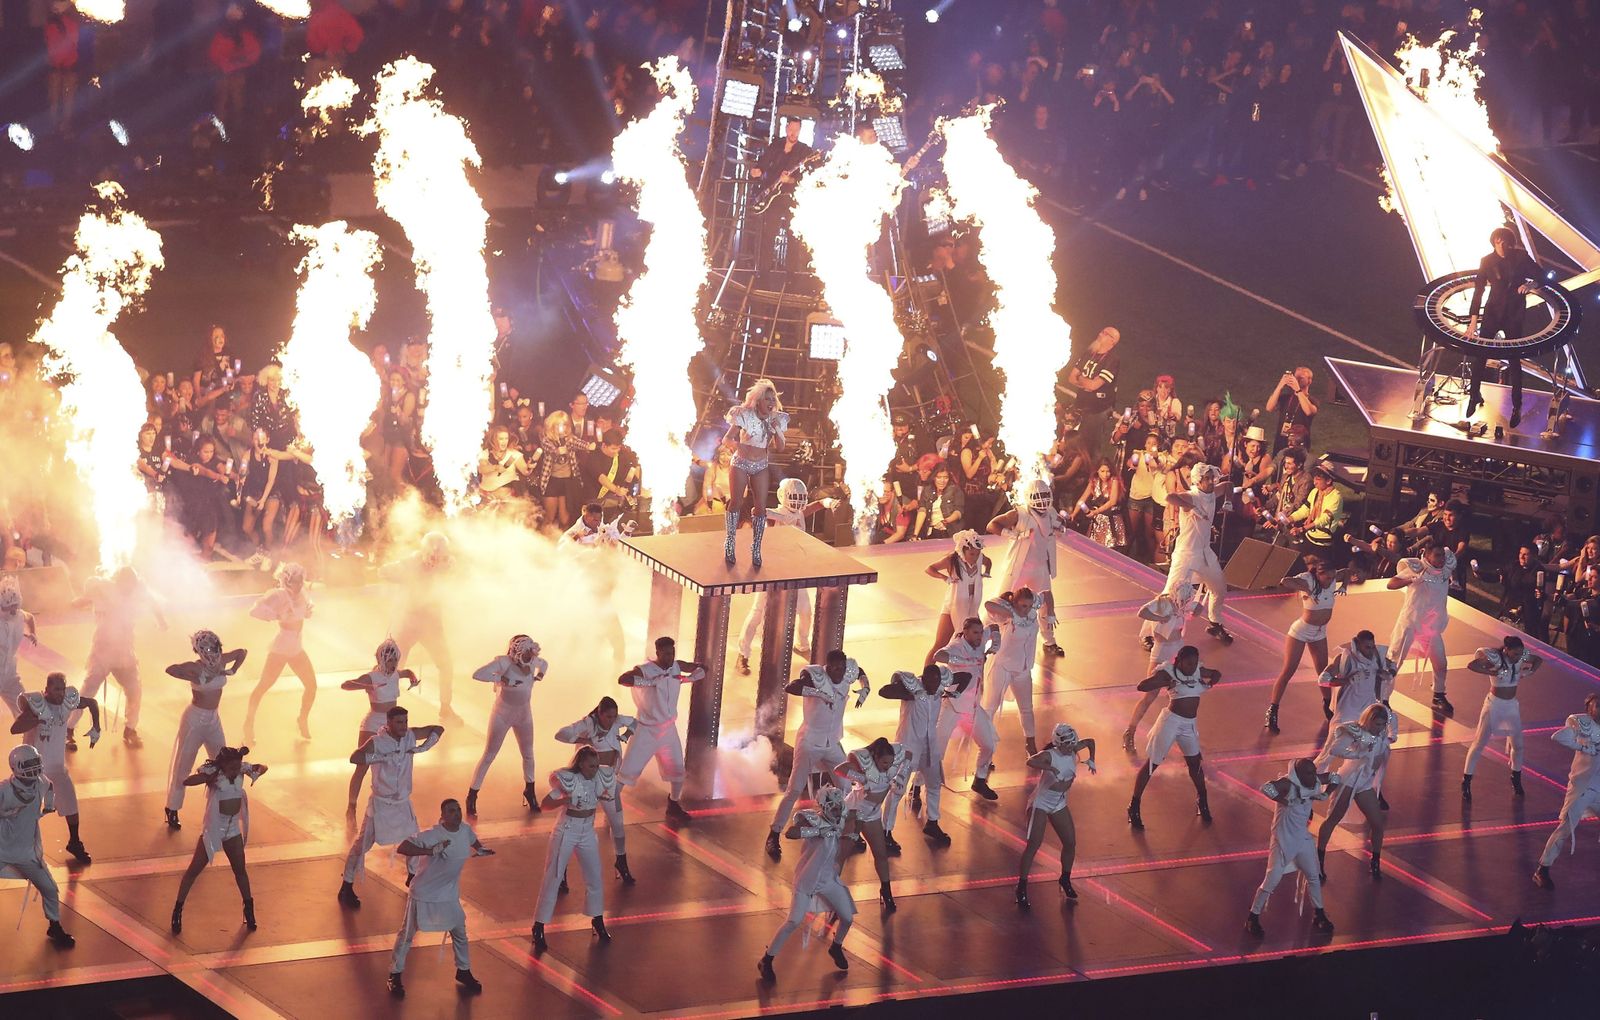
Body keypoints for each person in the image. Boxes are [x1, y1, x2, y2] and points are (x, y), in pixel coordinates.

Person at [766, 650, 870, 859]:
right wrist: (818, 693)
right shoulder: (815, 676)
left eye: (842, 668)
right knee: (794, 789)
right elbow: (791, 687)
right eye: (835, 668)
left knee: (847, 786)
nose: (839, 672)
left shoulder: (848, 672)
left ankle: (848, 830)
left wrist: (865, 686)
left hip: (832, 742)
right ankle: (774, 834)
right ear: (827, 667)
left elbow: (859, 671)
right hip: (810, 742)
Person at [339, 707, 445, 907]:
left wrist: (422, 748)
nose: (403, 726)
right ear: (388, 723)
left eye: (405, 721)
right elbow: (355, 757)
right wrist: (381, 757)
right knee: (362, 846)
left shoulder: (410, 735)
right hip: (381, 806)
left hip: (402, 804)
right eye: (399, 722)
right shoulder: (377, 742)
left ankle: (413, 879)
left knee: (415, 841)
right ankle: (346, 885)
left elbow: (438, 729)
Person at [387, 798, 491, 998]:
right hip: (424, 893)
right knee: (407, 934)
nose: (457, 813)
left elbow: (472, 839)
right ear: (442, 816)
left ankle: (463, 970)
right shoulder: (433, 835)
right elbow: (403, 847)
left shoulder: (465, 830)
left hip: (448, 894)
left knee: (459, 932)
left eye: (458, 809)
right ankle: (395, 974)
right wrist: (429, 851)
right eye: (451, 811)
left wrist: (480, 848)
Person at [757, 786, 857, 981]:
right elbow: (791, 833)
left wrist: (855, 829)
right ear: (825, 807)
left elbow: (857, 814)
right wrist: (816, 831)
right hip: (806, 881)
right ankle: (766, 960)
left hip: (828, 880)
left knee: (847, 917)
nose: (837, 812)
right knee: (793, 921)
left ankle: (836, 946)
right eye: (834, 808)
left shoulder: (841, 819)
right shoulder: (814, 819)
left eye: (839, 807)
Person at [735, 478, 834, 674]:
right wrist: (771, 515)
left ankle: (802, 644)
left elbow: (813, 507)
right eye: (794, 497)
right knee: (757, 612)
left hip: (795, 572)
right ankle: (743, 654)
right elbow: (758, 513)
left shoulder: (799, 513)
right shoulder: (774, 515)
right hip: (772, 572)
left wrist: (828, 502)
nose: (797, 502)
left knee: (805, 611)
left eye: (800, 497)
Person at [170, 745, 268, 935]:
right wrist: (208, 777)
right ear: (223, 765)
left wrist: (257, 768)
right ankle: (178, 909)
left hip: (232, 830)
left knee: (240, 871)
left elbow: (263, 768)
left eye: (237, 766)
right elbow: (188, 781)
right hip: (214, 829)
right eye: (231, 767)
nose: (235, 770)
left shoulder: (241, 769)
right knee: (193, 871)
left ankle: (249, 909)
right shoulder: (214, 773)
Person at [531, 746, 616, 952]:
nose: (595, 769)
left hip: (587, 831)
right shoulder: (568, 780)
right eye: (591, 766)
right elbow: (545, 804)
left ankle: (597, 920)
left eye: (597, 765)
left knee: (595, 877)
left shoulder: (599, 779)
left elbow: (607, 794)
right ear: (581, 764)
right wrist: (566, 800)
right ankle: (539, 926)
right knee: (554, 877)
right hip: (566, 831)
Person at [71, 567, 166, 748]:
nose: (129, 587)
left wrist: (161, 620)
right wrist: (81, 600)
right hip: (103, 651)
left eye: (132, 584)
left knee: (134, 690)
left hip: (124, 652)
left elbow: (152, 602)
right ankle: (69, 728)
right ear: (119, 582)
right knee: (88, 689)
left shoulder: (137, 592)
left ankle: (130, 728)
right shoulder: (105, 588)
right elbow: (84, 598)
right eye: (126, 583)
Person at [1127, 646, 1221, 830]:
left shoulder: (1197, 670)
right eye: (1189, 663)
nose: (1192, 667)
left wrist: (1211, 682)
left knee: (1195, 764)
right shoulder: (1168, 672)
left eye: (1195, 663)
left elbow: (1216, 673)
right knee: (1152, 764)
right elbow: (1142, 686)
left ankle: (1202, 800)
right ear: (1179, 661)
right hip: (1170, 723)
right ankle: (1134, 806)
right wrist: (1163, 681)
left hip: (1189, 725)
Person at [10, 671, 99, 863]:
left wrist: (96, 726)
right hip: (32, 771)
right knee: (24, 811)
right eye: (56, 689)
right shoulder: (37, 705)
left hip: (57, 769)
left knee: (71, 804)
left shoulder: (68, 702)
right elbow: (15, 728)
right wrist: (37, 719)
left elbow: (92, 703)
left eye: (62, 688)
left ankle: (74, 842)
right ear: (47, 689)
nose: (60, 693)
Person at [163, 631, 247, 830]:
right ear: (199, 650)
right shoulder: (196, 666)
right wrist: (194, 676)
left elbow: (242, 652)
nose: (212, 652)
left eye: (214, 647)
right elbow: (171, 669)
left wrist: (233, 669)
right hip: (194, 720)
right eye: (207, 648)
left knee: (223, 762)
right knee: (183, 765)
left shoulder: (222, 660)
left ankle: (219, 806)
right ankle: (172, 807)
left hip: (213, 719)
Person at [1246, 758, 1339, 938]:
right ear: (1299, 774)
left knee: (1313, 876)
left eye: (1314, 772)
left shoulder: (1315, 780)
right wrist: (1284, 800)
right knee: (1271, 880)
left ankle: (1319, 914)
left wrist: (1327, 793)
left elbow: (1335, 777)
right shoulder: (1288, 784)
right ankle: (1253, 916)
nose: (1314, 776)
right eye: (1309, 773)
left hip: (1302, 839)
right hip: (1282, 840)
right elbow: (1266, 788)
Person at [617, 637, 705, 822]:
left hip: (668, 730)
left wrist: (689, 677)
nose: (670, 657)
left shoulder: (676, 666)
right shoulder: (645, 669)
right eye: (665, 654)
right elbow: (623, 679)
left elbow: (701, 667)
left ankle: (673, 804)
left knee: (678, 771)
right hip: (646, 730)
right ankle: (611, 805)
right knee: (626, 773)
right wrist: (650, 682)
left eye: (672, 653)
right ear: (657, 653)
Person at [881, 664, 968, 846]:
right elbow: (884, 691)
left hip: (929, 747)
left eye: (937, 682)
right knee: (897, 789)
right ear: (923, 679)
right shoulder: (913, 686)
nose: (935, 686)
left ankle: (932, 823)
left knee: (934, 784)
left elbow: (966, 676)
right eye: (931, 682)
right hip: (908, 747)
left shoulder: (939, 685)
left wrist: (956, 693)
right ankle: (885, 831)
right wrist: (905, 692)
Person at [1264, 556, 1353, 732]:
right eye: (1327, 578)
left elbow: (1347, 572)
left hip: (1320, 633)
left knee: (1323, 673)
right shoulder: (1308, 580)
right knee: (1288, 671)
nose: (1330, 581)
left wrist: (1344, 585)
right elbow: (1285, 581)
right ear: (1318, 575)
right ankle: (1272, 710)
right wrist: (1306, 588)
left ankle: (1328, 706)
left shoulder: (1333, 578)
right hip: (1301, 632)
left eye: (1332, 577)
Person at [1466, 227, 1544, 426]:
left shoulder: (1521, 257)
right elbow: (1478, 291)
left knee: (1514, 360)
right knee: (1480, 356)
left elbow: (1542, 276)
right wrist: (1473, 321)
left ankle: (1517, 406)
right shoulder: (1486, 261)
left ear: (1510, 242)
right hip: (1492, 313)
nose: (1501, 244)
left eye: (1504, 240)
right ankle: (1474, 396)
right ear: (1493, 242)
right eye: (1497, 240)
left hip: (1513, 315)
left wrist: (1531, 285)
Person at [0, 745, 76, 947]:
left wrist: (49, 805)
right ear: (16, 767)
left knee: (49, 889)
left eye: (35, 762)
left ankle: (54, 925)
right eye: (29, 764)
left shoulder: (41, 782)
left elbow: (49, 786)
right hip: (2, 849)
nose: (34, 768)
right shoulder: (4, 791)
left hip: (26, 853)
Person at [555, 698, 637, 884]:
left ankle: (621, 861)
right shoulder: (588, 723)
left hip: (607, 781)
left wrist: (626, 734)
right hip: (585, 782)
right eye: (608, 717)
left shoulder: (617, 721)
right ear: (600, 714)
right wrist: (584, 739)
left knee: (618, 823)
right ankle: (561, 872)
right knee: (574, 827)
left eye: (614, 716)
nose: (611, 720)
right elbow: (560, 734)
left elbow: (634, 722)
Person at [1016, 722, 1096, 908]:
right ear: (1058, 743)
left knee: (1070, 842)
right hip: (1041, 804)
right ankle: (1021, 886)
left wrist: (1092, 759)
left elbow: (1090, 741)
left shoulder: (1073, 748)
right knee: (1033, 845)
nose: (1071, 747)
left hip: (1059, 803)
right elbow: (1030, 761)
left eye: (1072, 743)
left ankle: (1065, 879)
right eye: (1067, 744)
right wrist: (1050, 768)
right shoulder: (1050, 755)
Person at [380, 532, 458, 723]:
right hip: (409, 622)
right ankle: (385, 709)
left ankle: (445, 707)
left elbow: (452, 572)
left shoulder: (446, 563)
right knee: (394, 666)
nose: (435, 559)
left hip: (431, 623)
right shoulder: (410, 563)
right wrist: (402, 575)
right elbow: (383, 571)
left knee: (446, 664)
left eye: (439, 555)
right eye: (433, 554)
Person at [466, 635, 547, 816]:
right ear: (518, 651)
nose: (530, 656)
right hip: (502, 715)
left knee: (528, 754)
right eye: (527, 653)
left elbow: (545, 664)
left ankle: (530, 791)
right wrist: (503, 680)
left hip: (524, 714)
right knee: (489, 755)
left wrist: (539, 676)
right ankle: (472, 795)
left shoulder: (533, 661)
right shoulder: (503, 662)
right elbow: (478, 674)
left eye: (532, 653)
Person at [1315, 703, 1396, 882]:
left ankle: (1375, 862)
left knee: (1377, 823)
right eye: (1377, 724)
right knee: (1333, 819)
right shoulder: (1355, 731)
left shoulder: (1381, 735)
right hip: (1349, 780)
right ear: (1369, 720)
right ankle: (1318, 860)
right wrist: (1358, 754)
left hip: (1365, 783)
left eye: (1383, 724)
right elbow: (1335, 749)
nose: (1380, 728)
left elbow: (1390, 731)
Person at [988, 478, 1066, 656]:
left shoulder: (1051, 512)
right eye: (1038, 496)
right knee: (1003, 600)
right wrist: (1014, 534)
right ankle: (993, 636)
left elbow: (1060, 523)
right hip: (1019, 567)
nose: (1042, 500)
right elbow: (992, 525)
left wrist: (1061, 528)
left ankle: (1049, 641)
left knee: (1045, 603)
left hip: (1040, 566)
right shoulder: (1019, 514)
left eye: (1045, 495)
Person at [977, 588, 1043, 796]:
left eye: (1029, 606)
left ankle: (1031, 745)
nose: (1026, 609)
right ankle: (986, 751)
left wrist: (1049, 612)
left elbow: (1047, 594)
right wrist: (1010, 611)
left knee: (1027, 708)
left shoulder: (1032, 613)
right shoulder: (1007, 615)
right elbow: (989, 605)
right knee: (989, 709)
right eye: (1022, 605)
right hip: (1002, 667)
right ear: (1015, 602)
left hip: (1022, 668)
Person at [834, 737, 913, 911]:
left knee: (881, 855)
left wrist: (902, 771)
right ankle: (833, 895)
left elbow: (908, 754)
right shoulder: (865, 762)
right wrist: (861, 778)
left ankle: (886, 892)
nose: (888, 766)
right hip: (853, 812)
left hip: (872, 814)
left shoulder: (892, 762)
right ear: (875, 757)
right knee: (842, 855)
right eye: (884, 762)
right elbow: (839, 769)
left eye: (890, 763)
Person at [340, 638, 418, 814]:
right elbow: (346, 685)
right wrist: (368, 685)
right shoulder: (372, 676)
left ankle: (389, 802)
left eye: (395, 660)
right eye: (390, 660)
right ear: (382, 660)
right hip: (373, 723)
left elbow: (407, 672)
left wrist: (412, 677)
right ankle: (351, 806)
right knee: (362, 766)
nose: (393, 664)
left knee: (394, 762)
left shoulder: (396, 674)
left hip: (391, 725)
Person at [929, 615, 1001, 805]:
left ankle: (980, 780)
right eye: (975, 633)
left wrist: (996, 641)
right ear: (965, 632)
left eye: (981, 633)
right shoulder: (956, 645)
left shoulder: (981, 639)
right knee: (937, 750)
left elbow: (994, 626)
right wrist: (965, 662)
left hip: (973, 708)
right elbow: (939, 656)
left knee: (989, 745)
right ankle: (917, 786)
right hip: (952, 707)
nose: (979, 636)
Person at [243, 562, 317, 743]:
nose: (298, 585)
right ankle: (248, 723)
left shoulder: (302, 595)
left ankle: (302, 719)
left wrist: (305, 612)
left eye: (300, 581)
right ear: (287, 581)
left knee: (311, 685)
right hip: (280, 650)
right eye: (295, 581)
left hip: (296, 649)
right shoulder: (278, 595)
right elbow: (254, 611)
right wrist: (276, 615)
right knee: (262, 687)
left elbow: (305, 611)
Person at [1462, 637, 1543, 801]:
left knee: (1518, 745)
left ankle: (1516, 777)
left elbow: (1538, 660)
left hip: (1511, 706)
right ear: (1506, 649)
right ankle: (1466, 781)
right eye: (1515, 654)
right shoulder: (1496, 657)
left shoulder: (1521, 656)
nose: (1518, 657)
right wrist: (1491, 672)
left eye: (1520, 654)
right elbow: (1472, 665)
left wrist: (1530, 671)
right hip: (1494, 705)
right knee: (1479, 743)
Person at [1163, 462, 1236, 644]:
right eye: (1207, 479)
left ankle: (1215, 623)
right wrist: (1190, 507)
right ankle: (1150, 633)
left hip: (1205, 553)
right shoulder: (1192, 496)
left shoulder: (1212, 493)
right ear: (1198, 480)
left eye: (1213, 478)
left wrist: (1228, 501)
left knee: (1219, 588)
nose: (1212, 481)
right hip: (1186, 554)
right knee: (1170, 595)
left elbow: (1229, 485)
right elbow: (1170, 497)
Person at [1125, 582, 1202, 751]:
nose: (1184, 602)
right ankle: (1130, 731)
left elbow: (1199, 609)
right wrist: (1160, 618)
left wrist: (1192, 610)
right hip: (1161, 651)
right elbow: (1142, 612)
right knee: (1150, 695)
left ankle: (1178, 734)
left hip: (1178, 650)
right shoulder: (1162, 603)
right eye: (1183, 599)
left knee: (1179, 694)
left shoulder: (1185, 605)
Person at [1534, 693, 1600, 889]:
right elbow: (1559, 736)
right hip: (1582, 788)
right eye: (1597, 706)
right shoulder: (1581, 723)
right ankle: (1542, 868)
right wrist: (1584, 747)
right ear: (1589, 709)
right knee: (1565, 829)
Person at [722, 379, 789, 567]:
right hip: (740, 463)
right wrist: (738, 445)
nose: (771, 402)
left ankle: (756, 547)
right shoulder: (745, 415)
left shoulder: (776, 419)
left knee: (760, 507)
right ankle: (730, 542)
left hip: (761, 465)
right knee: (736, 502)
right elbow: (726, 439)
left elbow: (781, 447)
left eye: (773, 399)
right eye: (767, 399)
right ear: (758, 400)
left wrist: (776, 428)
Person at [1387, 538, 1456, 714]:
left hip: (1431, 628)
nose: (1442, 559)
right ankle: (1382, 698)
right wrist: (1410, 580)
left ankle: (1438, 695)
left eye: (1442, 555)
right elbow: (1391, 584)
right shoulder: (1417, 568)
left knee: (1441, 663)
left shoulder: (1445, 568)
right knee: (1394, 662)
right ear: (1427, 555)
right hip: (1410, 624)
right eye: (1437, 555)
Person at [922, 529, 991, 665]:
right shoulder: (952, 560)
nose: (975, 557)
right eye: (972, 554)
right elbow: (930, 569)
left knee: (975, 643)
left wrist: (987, 572)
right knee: (940, 644)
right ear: (963, 550)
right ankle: (927, 674)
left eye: (977, 553)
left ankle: (971, 671)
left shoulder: (980, 558)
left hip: (971, 607)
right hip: (953, 605)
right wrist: (944, 578)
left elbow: (988, 562)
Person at [1065, 326, 1122, 450]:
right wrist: (1086, 383)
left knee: (1089, 446)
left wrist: (1081, 378)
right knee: (1071, 441)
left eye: (1105, 333)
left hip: (1098, 409)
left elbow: (1093, 385)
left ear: (1112, 341)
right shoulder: (1089, 353)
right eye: (1102, 331)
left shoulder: (1112, 360)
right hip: (1081, 404)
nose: (1100, 334)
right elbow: (1071, 377)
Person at [0, 576, 39, 722]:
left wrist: (32, 633)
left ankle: (29, 733)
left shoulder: (19, 615)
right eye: (8, 608)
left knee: (26, 712)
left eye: (15, 608)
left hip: (10, 674)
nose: (12, 612)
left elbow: (29, 617)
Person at [1071, 459, 1126, 550]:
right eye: (1102, 471)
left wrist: (1095, 512)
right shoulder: (1094, 481)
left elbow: (1113, 501)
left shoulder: (1114, 480)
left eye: (1108, 471)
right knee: (1095, 548)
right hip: (1098, 521)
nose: (1105, 474)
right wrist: (1074, 514)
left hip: (1111, 520)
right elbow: (1083, 498)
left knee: (1110, 549)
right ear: (1097, 471)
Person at [1265, 367, 1318, 454]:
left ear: (1309, 381)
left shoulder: (1312, 400)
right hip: (1281, 440)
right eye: (1296, 377)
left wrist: (1298, 390)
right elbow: (1269, 407)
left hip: (1299, 443)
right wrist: (1280, 386)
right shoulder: (1286, 397)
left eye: (1301, 378)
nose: (1297, 380)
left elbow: (1308, 411)